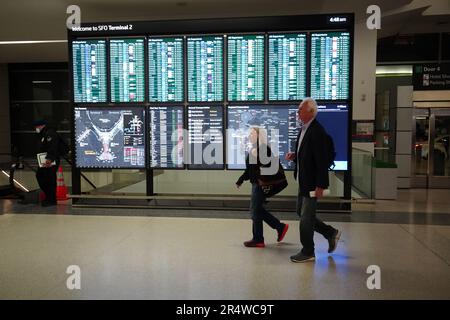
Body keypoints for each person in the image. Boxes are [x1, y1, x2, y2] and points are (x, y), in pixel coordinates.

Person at [285, 98, 341, 262]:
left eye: (300, 109)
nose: (298, 112)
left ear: (310, 112)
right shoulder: (304, 129)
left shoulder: (317, 132)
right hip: (304, 181)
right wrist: (295, 157)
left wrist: (321, 185)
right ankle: (330, 233)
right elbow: (308, 156)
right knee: (300, 213)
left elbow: (321, 160)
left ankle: (308, 251)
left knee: (306, 218)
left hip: (312, 184)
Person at [236, 127, 289, 248]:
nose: (249, 136)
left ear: (260, 135)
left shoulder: (264, 149)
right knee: (257, 210)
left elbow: (268, 167)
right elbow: (250, 170)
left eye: (252, 133)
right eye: (249, 134)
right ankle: (279, 227)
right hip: (256, 184)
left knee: (255, 210)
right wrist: (241, 179)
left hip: (261, 185)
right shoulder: (254, 149)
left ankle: (258, 239)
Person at [34, 120, 61, 207]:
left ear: (41, 126)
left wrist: (50, 159)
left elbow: (53, 146)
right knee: (41, 177)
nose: (35, 129)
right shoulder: (44, 133)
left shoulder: (50, 133)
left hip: (50, 161)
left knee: (50, 179)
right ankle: (49, 197)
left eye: (36, 127)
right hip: (44, 160)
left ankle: (51, 199)